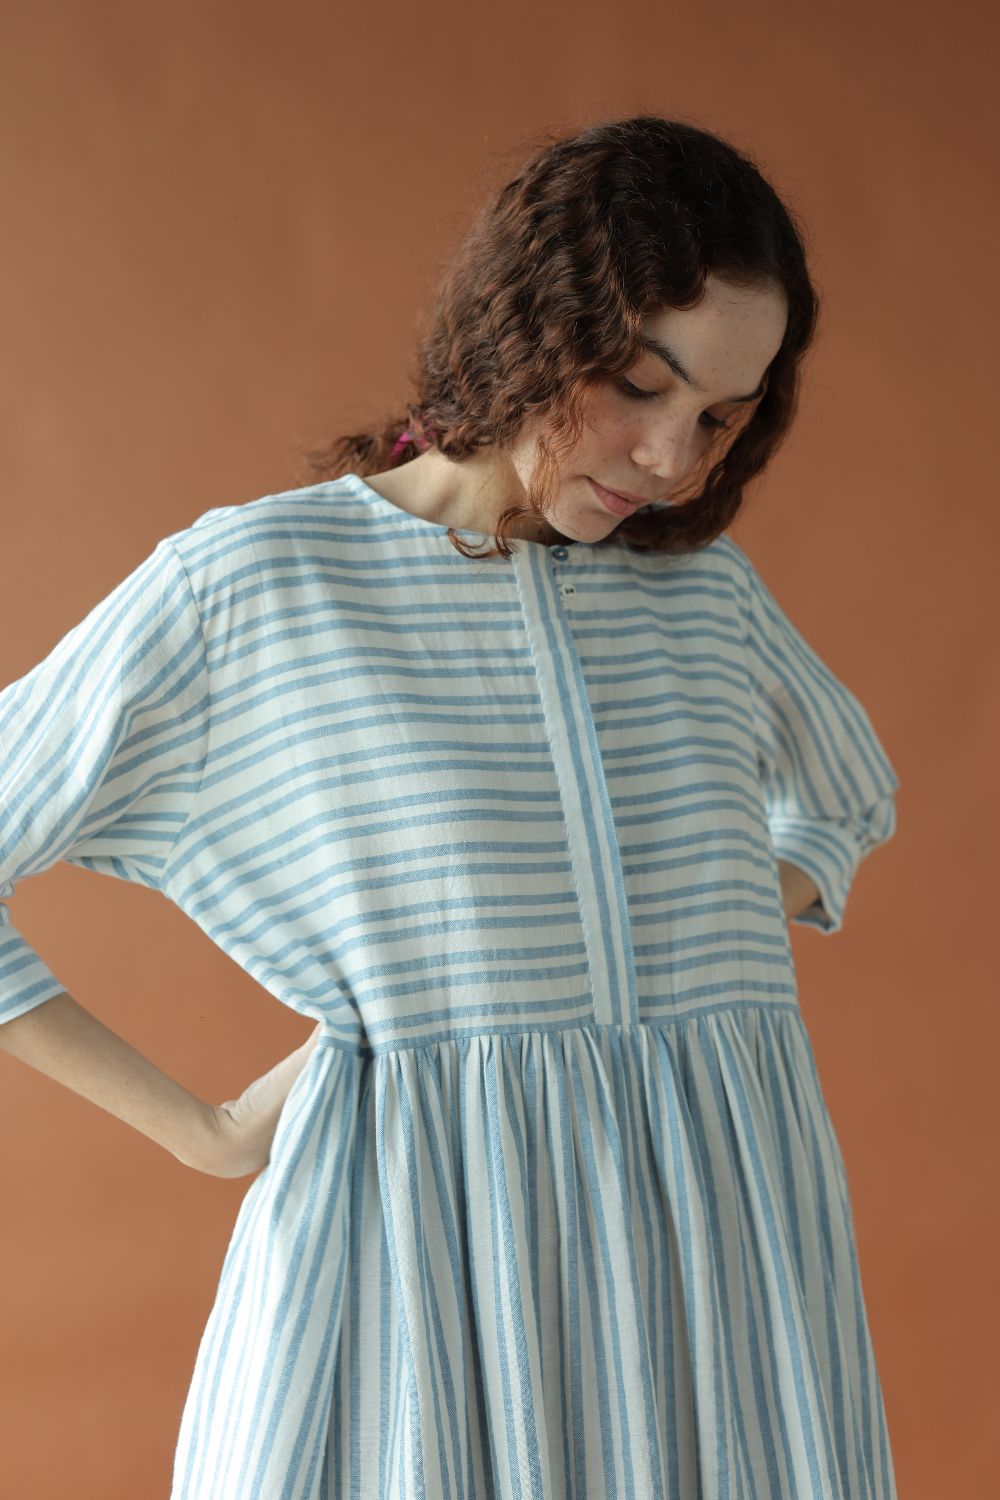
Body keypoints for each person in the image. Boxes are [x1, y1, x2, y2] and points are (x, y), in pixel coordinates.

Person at [0, 115, 901, 1498]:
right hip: (423, 1277)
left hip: (731, 1272)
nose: (673, 459)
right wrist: (205, 1131)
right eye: (640, 384)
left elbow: (843, 793)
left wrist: (701, 923)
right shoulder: (261, 587)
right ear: (532, 330)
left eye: (720, 417)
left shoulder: (706, 603)